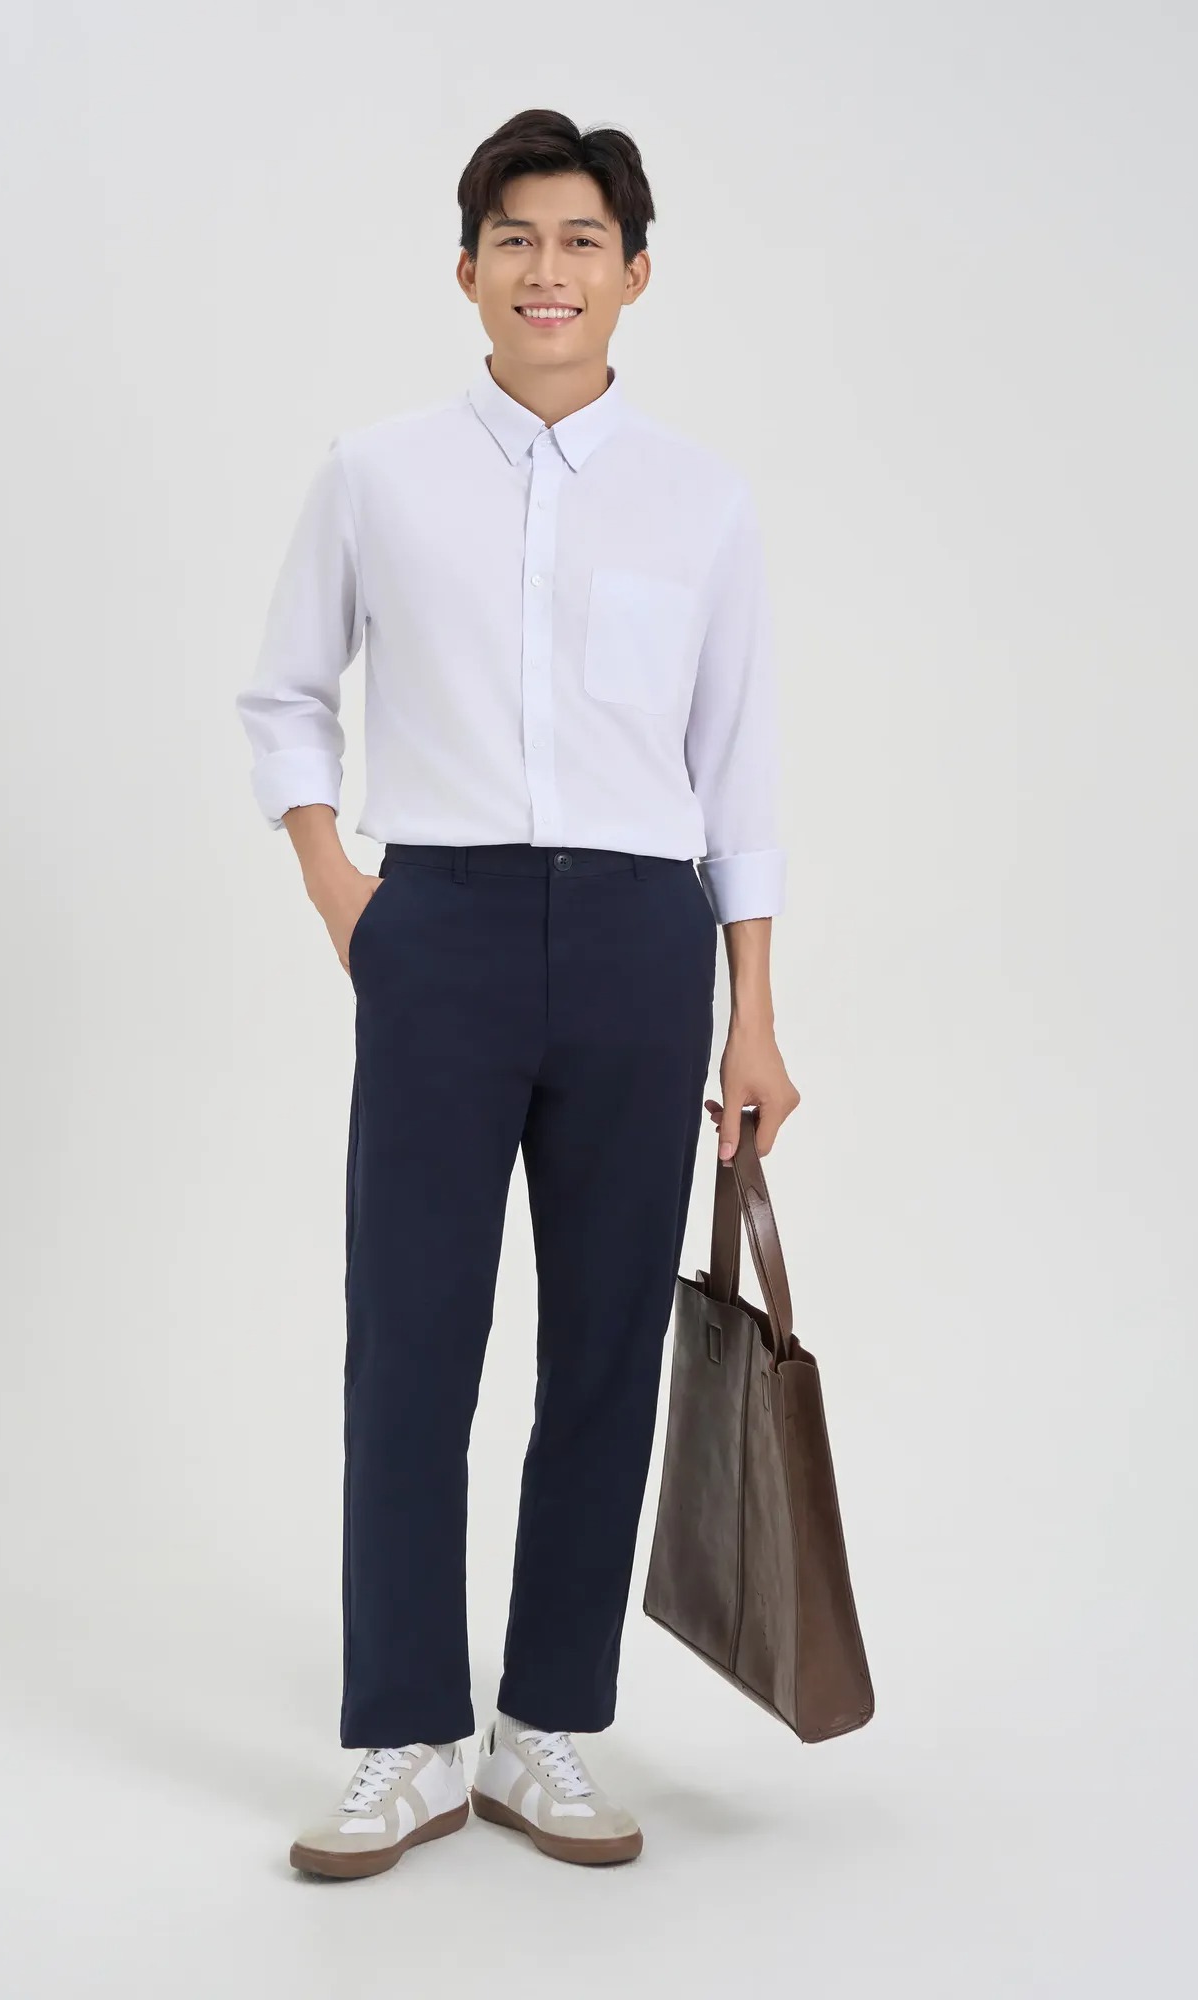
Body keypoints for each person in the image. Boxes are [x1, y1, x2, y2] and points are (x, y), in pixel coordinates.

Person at [235, 107, 799, 1881]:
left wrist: (754, 1013)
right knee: (410, 1338)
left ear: (635, 274)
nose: (546, 270)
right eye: (515, 238)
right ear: (466, 268)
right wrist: (342, 891)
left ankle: (544, 1725)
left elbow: (737, 767)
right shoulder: (377, 472)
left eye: (580, 241)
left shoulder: (701, 502)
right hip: (441, 929)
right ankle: (402, 1737)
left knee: (605, 1349)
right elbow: (284, 694)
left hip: (641, 942)